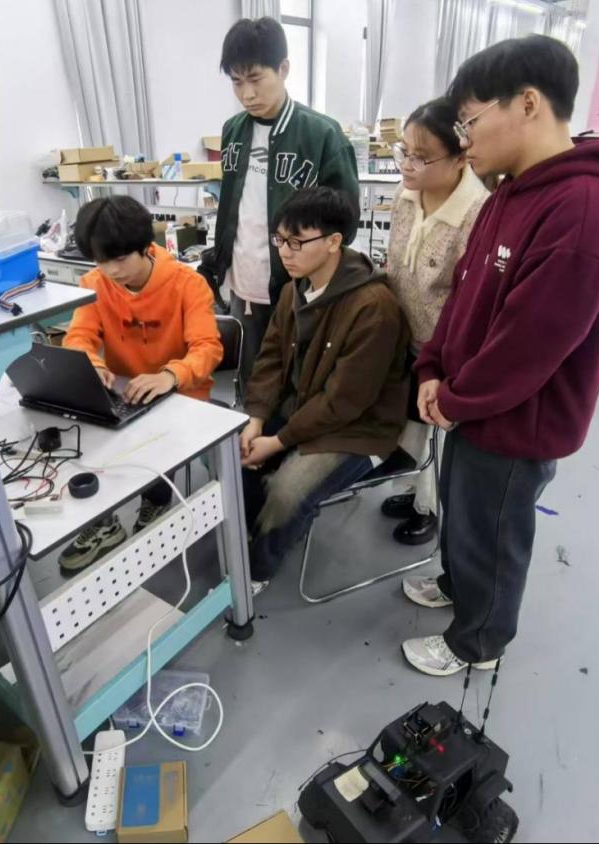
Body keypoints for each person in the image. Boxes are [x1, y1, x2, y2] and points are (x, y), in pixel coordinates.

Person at [401, 35, 599, 676]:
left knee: (493, 528)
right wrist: (433, 368)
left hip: (519, 419)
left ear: (528, 103)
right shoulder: (511, 191)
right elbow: (464, 294)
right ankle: (459, 586)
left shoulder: (585, 207)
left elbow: (531, 342)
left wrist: (456, 397)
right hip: (471, 402)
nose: (463, 138)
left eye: (469, 120)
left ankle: (479, 642)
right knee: (463, 509)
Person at [240, 187, 410, 590]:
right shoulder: (292, 290)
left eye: (297, 242)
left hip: (356, 429)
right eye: (280, 240)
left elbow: (344, 402)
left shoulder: (373, 307)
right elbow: (270, 359)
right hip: (301, 410)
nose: (285, 252)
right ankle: (256, 530)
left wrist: (276, 441)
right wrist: (256, 419)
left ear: (334, 242)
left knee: (288, 492)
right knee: (232, 452)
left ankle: (257, 570)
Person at [59, 195, 223, 572]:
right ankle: (104, 522)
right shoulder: (94, 283)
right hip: (126, 392)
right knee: (84, 436)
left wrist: (170, 375)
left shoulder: (188, 284)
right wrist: (92, 364)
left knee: (153, 445)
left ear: (144, 246)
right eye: (100, 260)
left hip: (182, 395)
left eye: (119, 259)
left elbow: (207, 348)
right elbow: (79, 337)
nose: (110, 270)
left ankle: (156, 499)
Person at [216, 16, 360, 390]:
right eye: (236, 81)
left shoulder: (322, 134)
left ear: (283, 69)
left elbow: (346, 220)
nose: (247, 93)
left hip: (296, 284)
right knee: (252, 378)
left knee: (297, 381)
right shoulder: (233, 131)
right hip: (243, 280)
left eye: (255, 78)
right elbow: (232, 207)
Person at [380, 98, 489, 547]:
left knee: (436, 430)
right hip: (403, 336)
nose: (407, 165)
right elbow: (395, 263)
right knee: (410, 425)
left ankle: (429, 509)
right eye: (403, 152)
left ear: (461, 157)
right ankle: (413, 492)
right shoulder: (405, 196)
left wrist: (441, 360)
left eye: (421, 157)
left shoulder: (477, 214)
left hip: (445, 349)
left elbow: (469, 298)